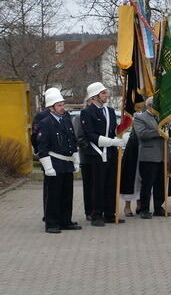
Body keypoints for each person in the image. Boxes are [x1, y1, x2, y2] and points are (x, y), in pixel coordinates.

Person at [80, 82, 127, 226]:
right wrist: (112, 142)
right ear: (95, 96)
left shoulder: (110, 111)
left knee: (111, 184)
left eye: (106, 92)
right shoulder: (87, 112)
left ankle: (110, 213)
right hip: (96, 154)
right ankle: (96, 215)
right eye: (103, 93)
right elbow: (90, 135)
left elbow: (113, 130)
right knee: (98, 185)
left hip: (111, 153)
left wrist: (119, 137)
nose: (107, 95)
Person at [36, 89, 81, 233]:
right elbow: (42, 147)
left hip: (66, 163)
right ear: (51, 107)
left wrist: (75, 159)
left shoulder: (66, 120)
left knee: (67, 195)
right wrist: (48, 167)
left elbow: (72, 141)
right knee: (53, 196)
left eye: (63, 104)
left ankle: (65, 221)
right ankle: (52, 223)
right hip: (54, 163)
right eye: (59, 105)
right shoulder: (45, 123)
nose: (63, 108)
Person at [133, 97, 166, 218]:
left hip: (162, 156)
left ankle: (159, 207)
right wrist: (159, 132)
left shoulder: (161, 117)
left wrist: (169, 131)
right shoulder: (140, 118)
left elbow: (167, 131)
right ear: (150, 106)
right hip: (148, 156)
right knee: (147, 184)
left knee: (160, 184)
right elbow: (142, 134)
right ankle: (144, 209)